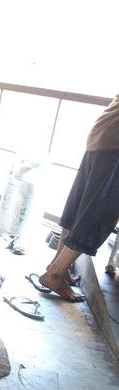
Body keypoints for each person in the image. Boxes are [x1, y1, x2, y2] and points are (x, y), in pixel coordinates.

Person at [38, 93, 119, 302]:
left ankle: (57, 267)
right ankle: (55, 274)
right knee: (98, 212)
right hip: (116, 144)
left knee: (80, 206)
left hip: (103, 133)